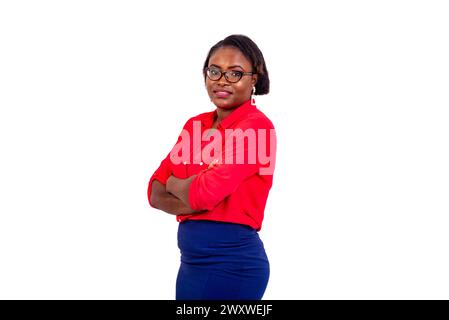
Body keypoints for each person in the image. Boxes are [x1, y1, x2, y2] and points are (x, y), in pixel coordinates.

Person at [147, 34, 276, 300]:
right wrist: (196, 194)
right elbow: (154, 191)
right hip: (191, 265)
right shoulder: (196, 125)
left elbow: (203, 193)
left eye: (235, 73)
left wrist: (176, 184)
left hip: (233, 266)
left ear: (254, 79)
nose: (221, 80)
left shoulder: (257, 128)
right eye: (214, 71)